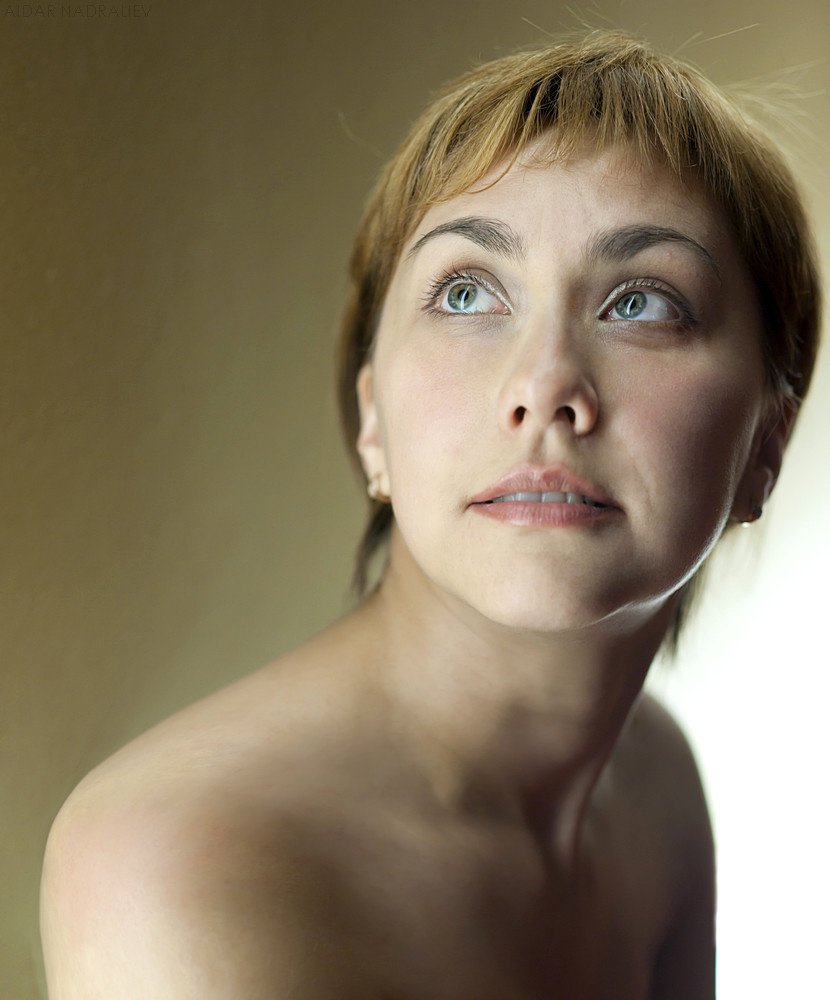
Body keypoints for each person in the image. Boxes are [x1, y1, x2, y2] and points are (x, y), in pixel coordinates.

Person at [40, 30, 820, 999]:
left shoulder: (658, 785)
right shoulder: (175, 857)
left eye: (640, 304)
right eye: (465, 292)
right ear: (372, 419)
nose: (543, 386)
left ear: (767, 443)